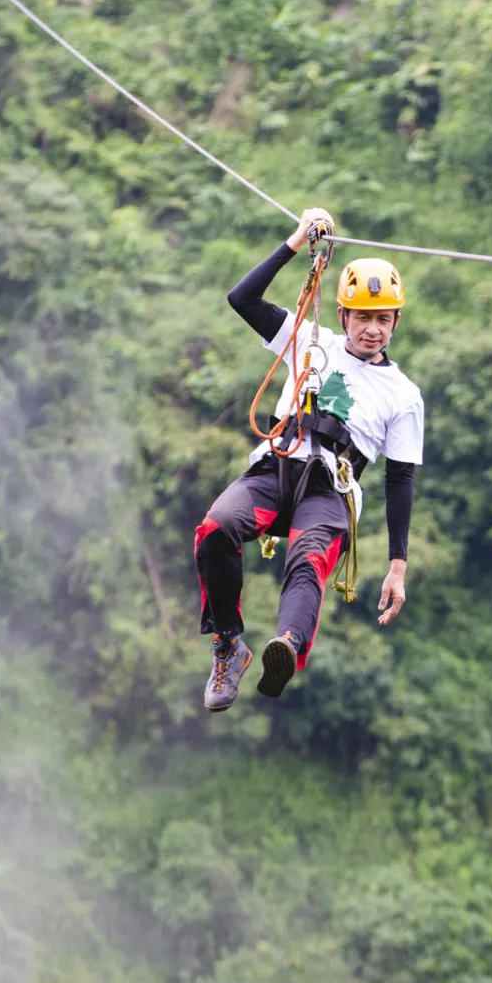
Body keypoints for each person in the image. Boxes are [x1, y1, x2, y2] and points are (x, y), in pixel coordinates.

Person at [195, 207, 424, 709]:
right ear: (343, 315)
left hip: (331, 490)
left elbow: (400, 482)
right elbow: (242, 298)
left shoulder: (404, 395)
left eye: (383, 319)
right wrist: (296, 242)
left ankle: (288, 645)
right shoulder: (308, 336)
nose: (372, 330)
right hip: (276, 466)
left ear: (396, 321)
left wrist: (397, 567)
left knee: (307, 559)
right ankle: (229, 645)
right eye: (363, 317)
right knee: (216, 528)